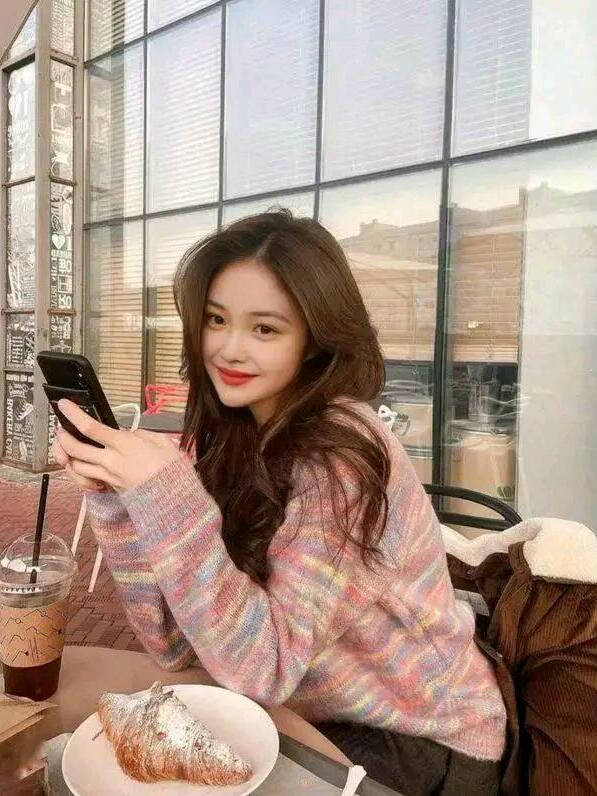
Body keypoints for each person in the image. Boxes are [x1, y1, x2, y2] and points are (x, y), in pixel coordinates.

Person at [53, 211, 506, 794]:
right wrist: (117, 499)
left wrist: (167, 496)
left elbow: (263, 668)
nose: (229, 349)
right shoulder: (241, 435)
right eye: (216, 319)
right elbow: (173, 644)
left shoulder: (343, 457)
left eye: (264, 329)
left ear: (316, 338)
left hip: (420, 739)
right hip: (308, 710)